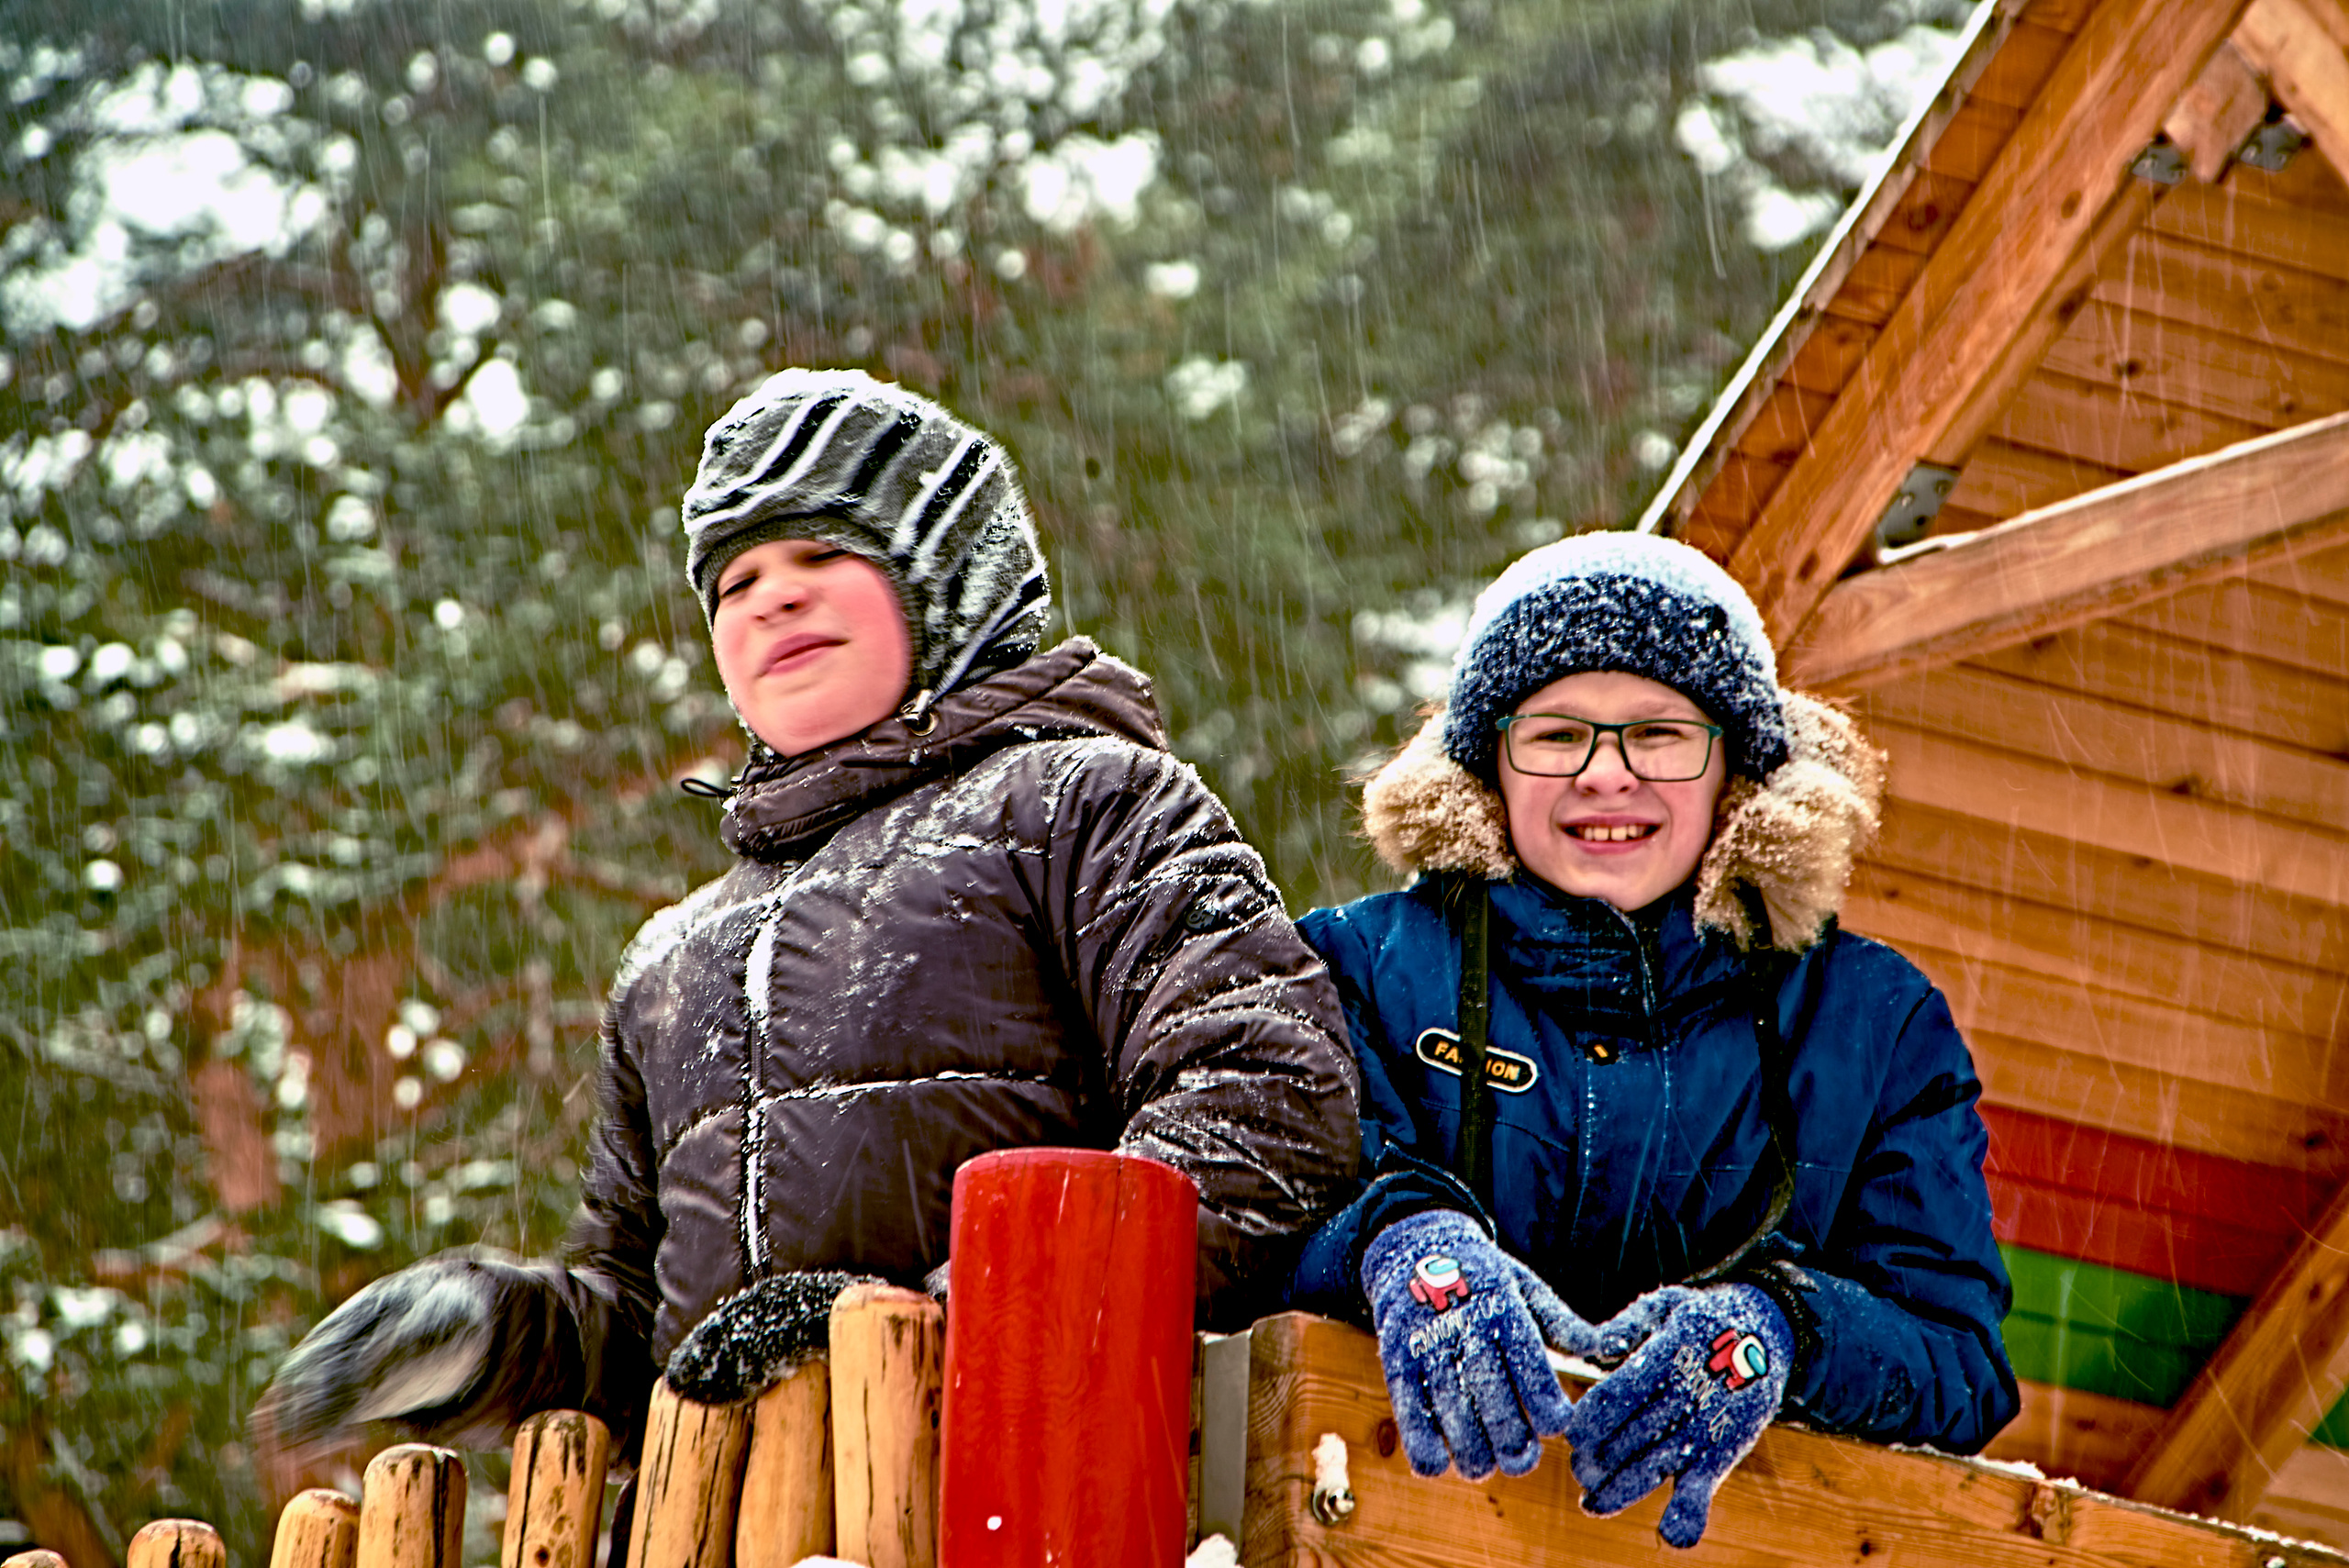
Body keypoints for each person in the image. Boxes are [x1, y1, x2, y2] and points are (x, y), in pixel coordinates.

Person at [254, 368, 1361, 1469]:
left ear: (950, 582)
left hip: (1022, 1496)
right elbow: (647, 1321)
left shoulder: (1083, 802)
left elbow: (1262, 1103)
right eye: (734, 581)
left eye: (825, 553)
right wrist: (499, 1337)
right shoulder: (670, 958)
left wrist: (928, 1329)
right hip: (726, 1525)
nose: (772, 596)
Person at [1287, 530, 2015, 1549]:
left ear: (1737, 768)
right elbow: (1244, 1236)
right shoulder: (1354, 966)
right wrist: (1396, 1242)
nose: (1606, 777)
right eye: (1557, 733)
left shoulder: (1879, 1026)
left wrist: (1780, 1330)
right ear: (1488, 759)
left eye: (1660, 735)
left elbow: (1959, 1363)